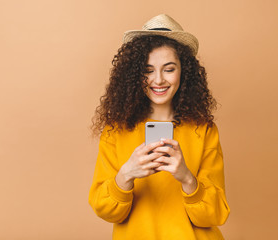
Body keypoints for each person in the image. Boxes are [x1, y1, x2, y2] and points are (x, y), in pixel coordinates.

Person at [88, 14, 230, 240]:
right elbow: (106, 210)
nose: (159, 80)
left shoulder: (203, 130)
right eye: (148, 70)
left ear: (185, 72)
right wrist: (125, 175)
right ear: (135, 75)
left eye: (169, 69)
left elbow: (215, 215)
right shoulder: (116, 131)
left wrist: (187, 178)